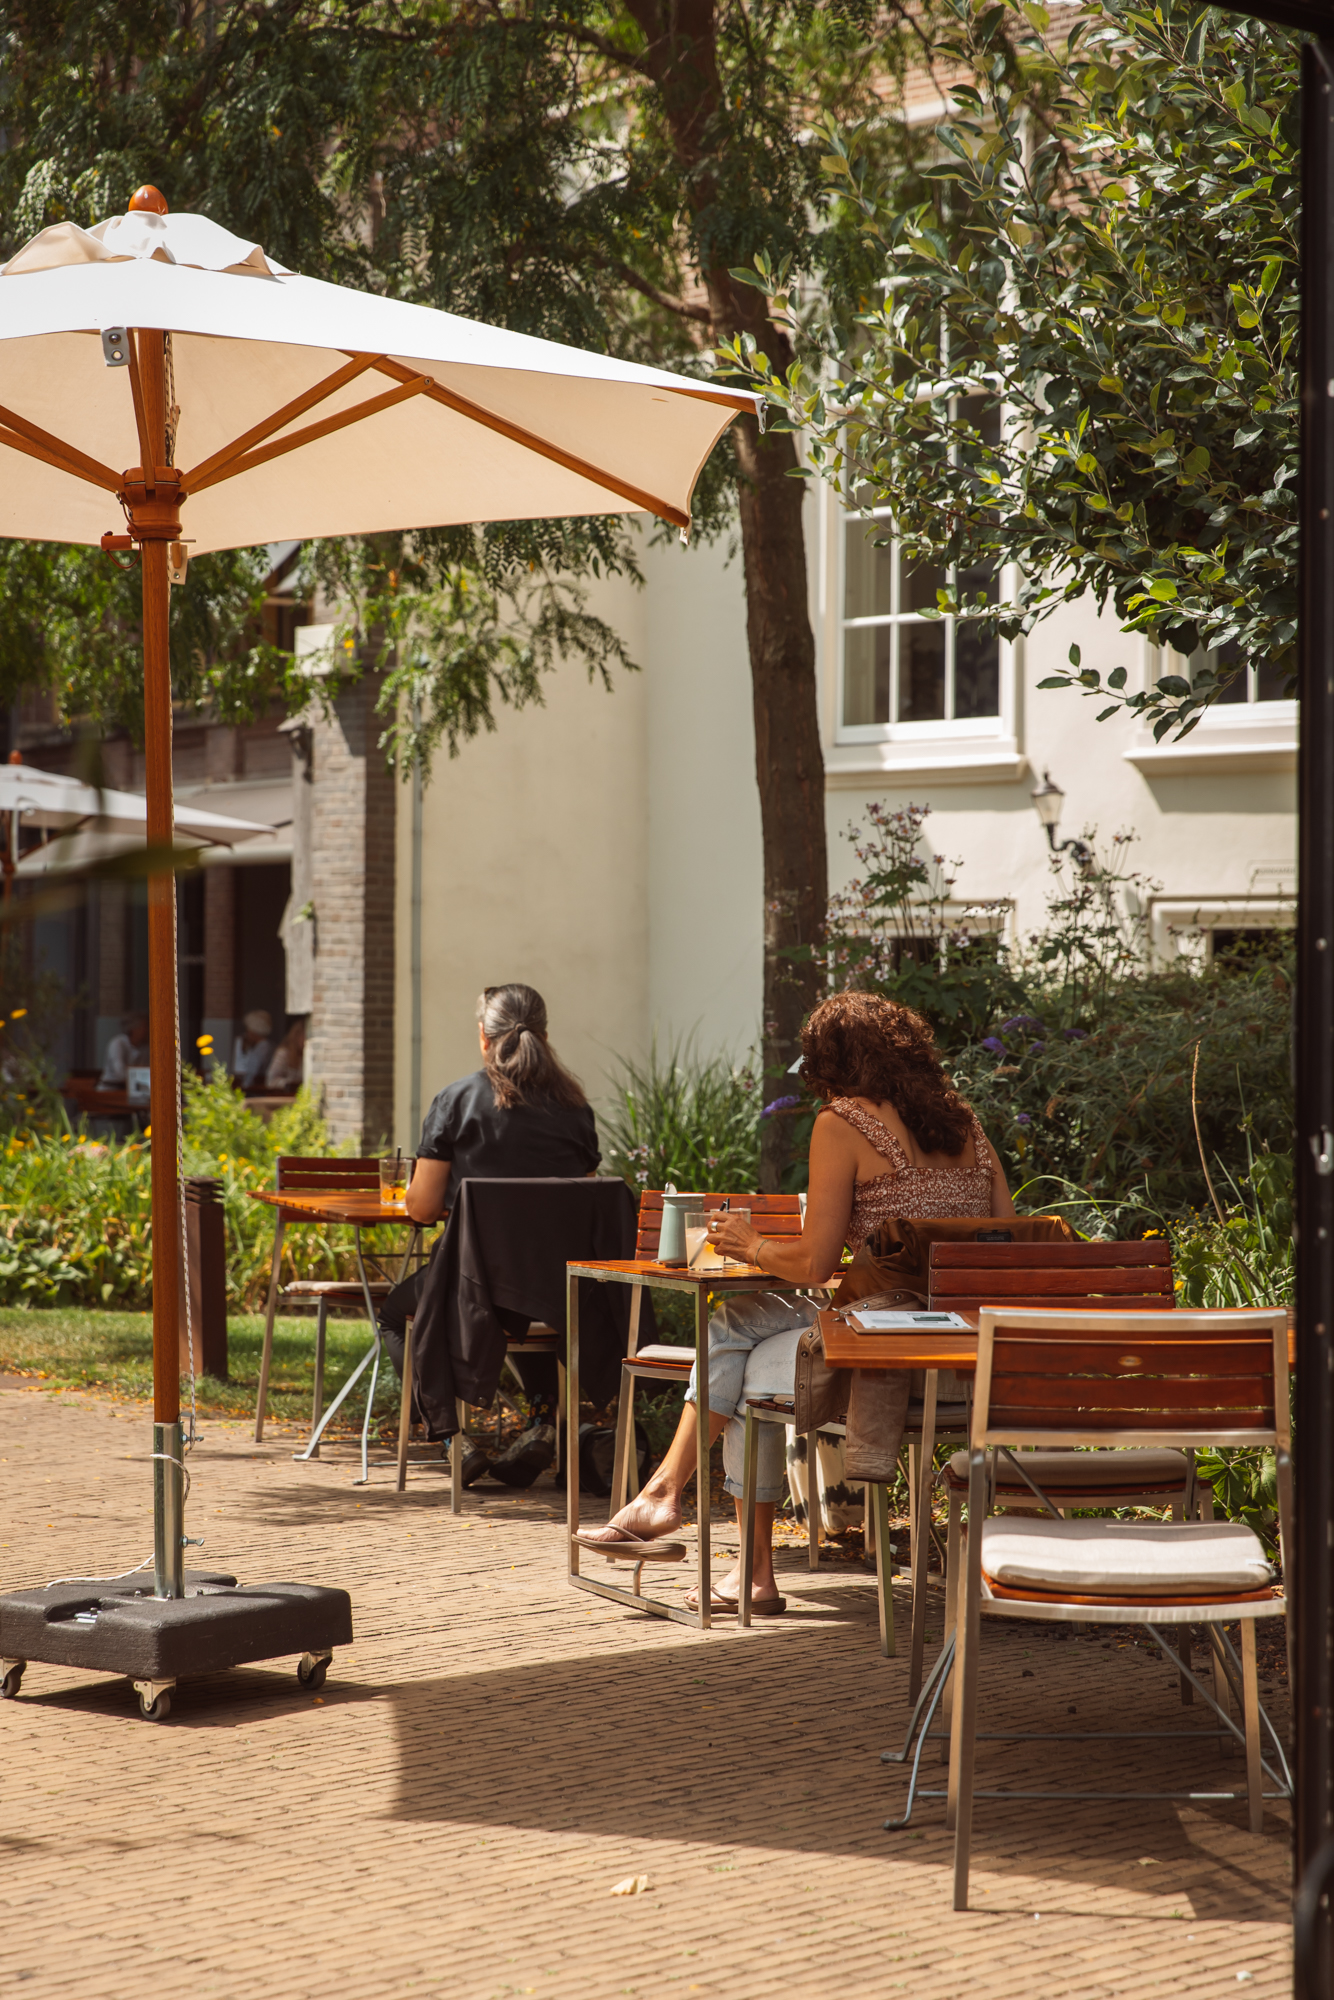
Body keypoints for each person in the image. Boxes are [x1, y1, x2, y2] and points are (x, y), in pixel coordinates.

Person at [575, 989, 1014, 1614]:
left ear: (828, 1062)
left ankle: (703, 1529)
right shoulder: (966, 1125)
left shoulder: (843, 1123)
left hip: (886, 1355)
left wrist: (750, 1244)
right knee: (739, 1328)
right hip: (973, 1361)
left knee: (738, 1347)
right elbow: (1006, 1240)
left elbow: (815, 1264)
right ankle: (677, 1509)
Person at [378, 982, 600, 1486]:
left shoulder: (458, 1100)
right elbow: (582, 1203)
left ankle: (451, 1436)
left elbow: (422, 1208)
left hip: (471, 1287)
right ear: (545, 1036)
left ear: (484, 1037)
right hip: (557, 1291)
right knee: (522, 1297)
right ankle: (543, 1421)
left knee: (394, 1314)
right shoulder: (575, 1109)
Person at [99, 1011, 148, 1088]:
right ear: (133, 1029)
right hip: (110, 1089)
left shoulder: (144, 1047)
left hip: (131, 1089)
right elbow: (120, 1073)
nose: (147, 1030)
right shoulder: (118, 1043)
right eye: (144, 1027)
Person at [231, 1010, 273, 1092]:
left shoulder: (262, 1048)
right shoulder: (267, 1046)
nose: (247, 1033)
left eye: (248, 1029)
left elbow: (252, 1072)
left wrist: (244, 1088)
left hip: (256, 1091)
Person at [265, 1017, 306, 1092]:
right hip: (284, 1096)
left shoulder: (309, 1055)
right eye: (305, 1036)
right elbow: (270, 1080)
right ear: (296, 1036)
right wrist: (290, 1083)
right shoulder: (284, 1053)